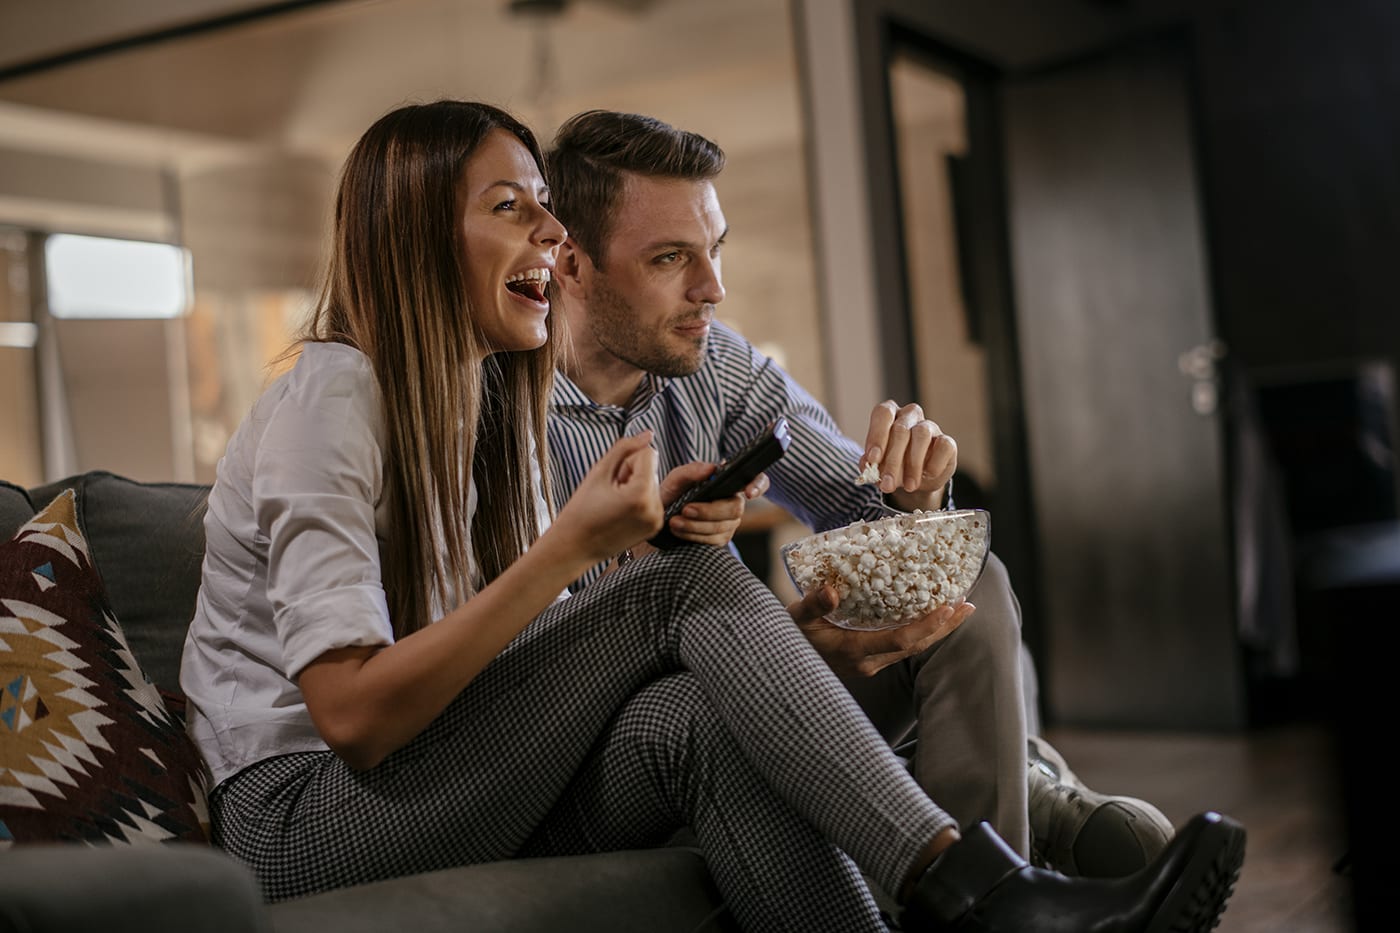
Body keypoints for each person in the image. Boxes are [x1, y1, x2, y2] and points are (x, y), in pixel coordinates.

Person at [179, 98, 1243, 933]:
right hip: (298, 818)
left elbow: (513, 676)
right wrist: (576, 555)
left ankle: (990, 864)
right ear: (414, 234)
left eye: (543, 204)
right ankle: (984, 893)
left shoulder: (467, 400)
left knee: (701, 721)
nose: (547, 230)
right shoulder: (334, 395)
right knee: (675, 580)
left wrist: (793, 617)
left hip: (441, 770)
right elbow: (355, 720)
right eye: (513, 206)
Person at [544, 108, 1175, 877]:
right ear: (571, 265)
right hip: (625, 739)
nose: (713, 288)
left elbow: (863, 509)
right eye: (672, 257)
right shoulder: (490, 413)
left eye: (716, 249)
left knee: (968, 586)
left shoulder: (718, 362)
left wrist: (916, 499)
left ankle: (993, 890)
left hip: (759, 672)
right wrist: (767, 653)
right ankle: (1030, 795)